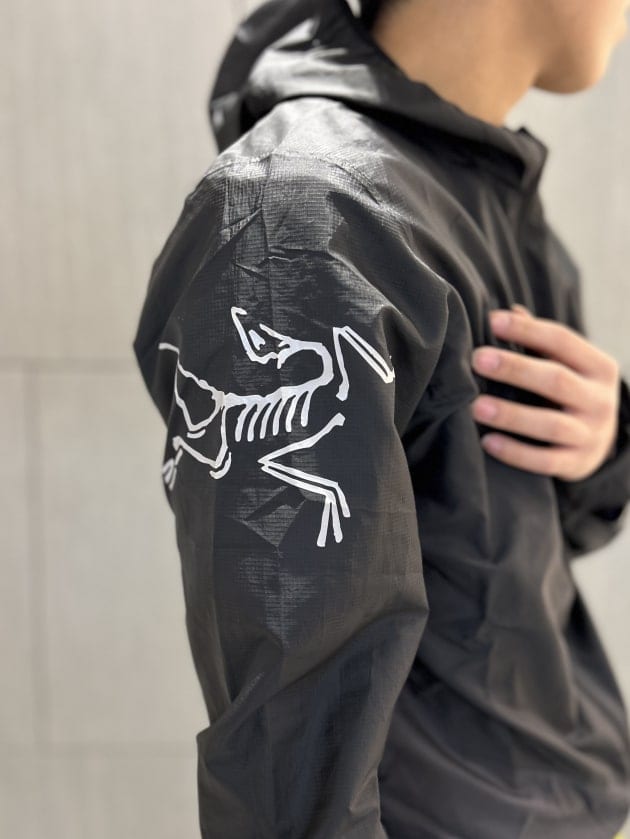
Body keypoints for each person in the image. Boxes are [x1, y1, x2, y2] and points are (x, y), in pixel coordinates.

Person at [131, 0, 630, 835]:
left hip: (563, 798)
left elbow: (512, 541)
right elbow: (291, 753)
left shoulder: (483, 192)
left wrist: (604, 443)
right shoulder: (308, 209)